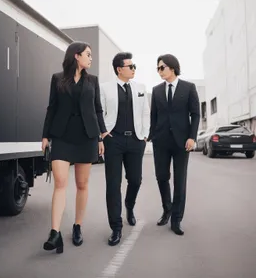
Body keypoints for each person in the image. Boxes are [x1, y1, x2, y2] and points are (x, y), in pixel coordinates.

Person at [41, 41, 106, 253]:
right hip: (62, 136)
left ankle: (77, 226)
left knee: (82, 184)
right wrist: (45, 136)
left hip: (87, 135)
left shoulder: (93, 81)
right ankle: (54, 232)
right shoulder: (57, 78)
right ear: (76, 56)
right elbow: (52, 107)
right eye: (88, 54)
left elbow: (97, 110)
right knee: (60, 183)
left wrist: (101, 137)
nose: (91, 58)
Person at [100, 52, 150, 246]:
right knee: (113, 185)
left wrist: (145, 135)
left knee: (135, 180)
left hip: (136, 141)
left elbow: (146, 112)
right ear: (119, 69)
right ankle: (116, 228)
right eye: (131, 66)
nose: (134, 69)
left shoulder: (140, 88)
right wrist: (103, 134)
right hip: (114, 141)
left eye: (134, 65)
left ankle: (129, 205)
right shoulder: (105, 88)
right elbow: (101, 112)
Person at [148, 54, 200, 235]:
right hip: (161, 141)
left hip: (181, 142)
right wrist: (151, 135)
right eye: (157, 68)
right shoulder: (156, 90)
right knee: (162, 177)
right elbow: (153, 116)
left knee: (180, 181)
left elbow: (196, 114)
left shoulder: (189, 88)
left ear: (172, 67)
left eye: (162, 67)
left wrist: (192, 137)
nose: (159, 71)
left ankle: (176, 219)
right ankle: (167, 209)